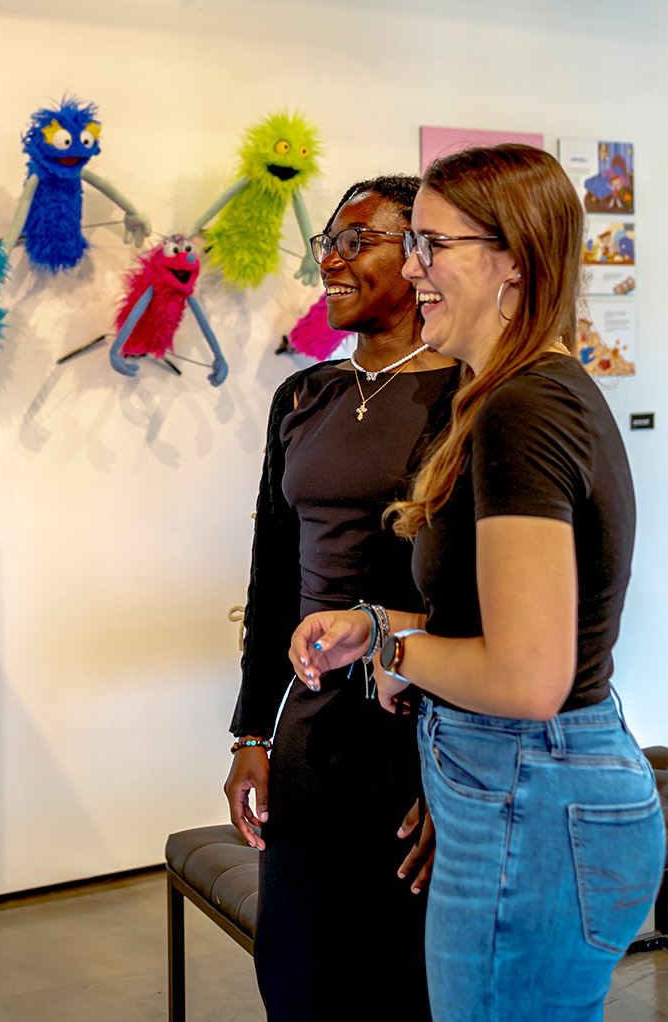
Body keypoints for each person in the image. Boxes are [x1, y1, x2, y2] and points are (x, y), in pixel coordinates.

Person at [290, 144, 665, 1022]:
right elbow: (513, 627)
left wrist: (399, 647)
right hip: (530, 792)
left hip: (534, 797)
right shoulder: (517, 395)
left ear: (514, 261)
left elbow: (527, 680)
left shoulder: (525, 409)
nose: (411, 270)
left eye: (432, 246)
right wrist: (379, 624)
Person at [225, 173, 458, 1021]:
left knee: (404, 981)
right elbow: (272, 581)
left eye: (361, 239)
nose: (333, 256)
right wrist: (252, 730)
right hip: (313, 724)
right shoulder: (303, 396)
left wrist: (455, 777)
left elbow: (474, 598)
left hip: (423, 727)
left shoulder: (467, 395)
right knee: (298, 973)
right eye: (328, 239)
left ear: (422, 256)